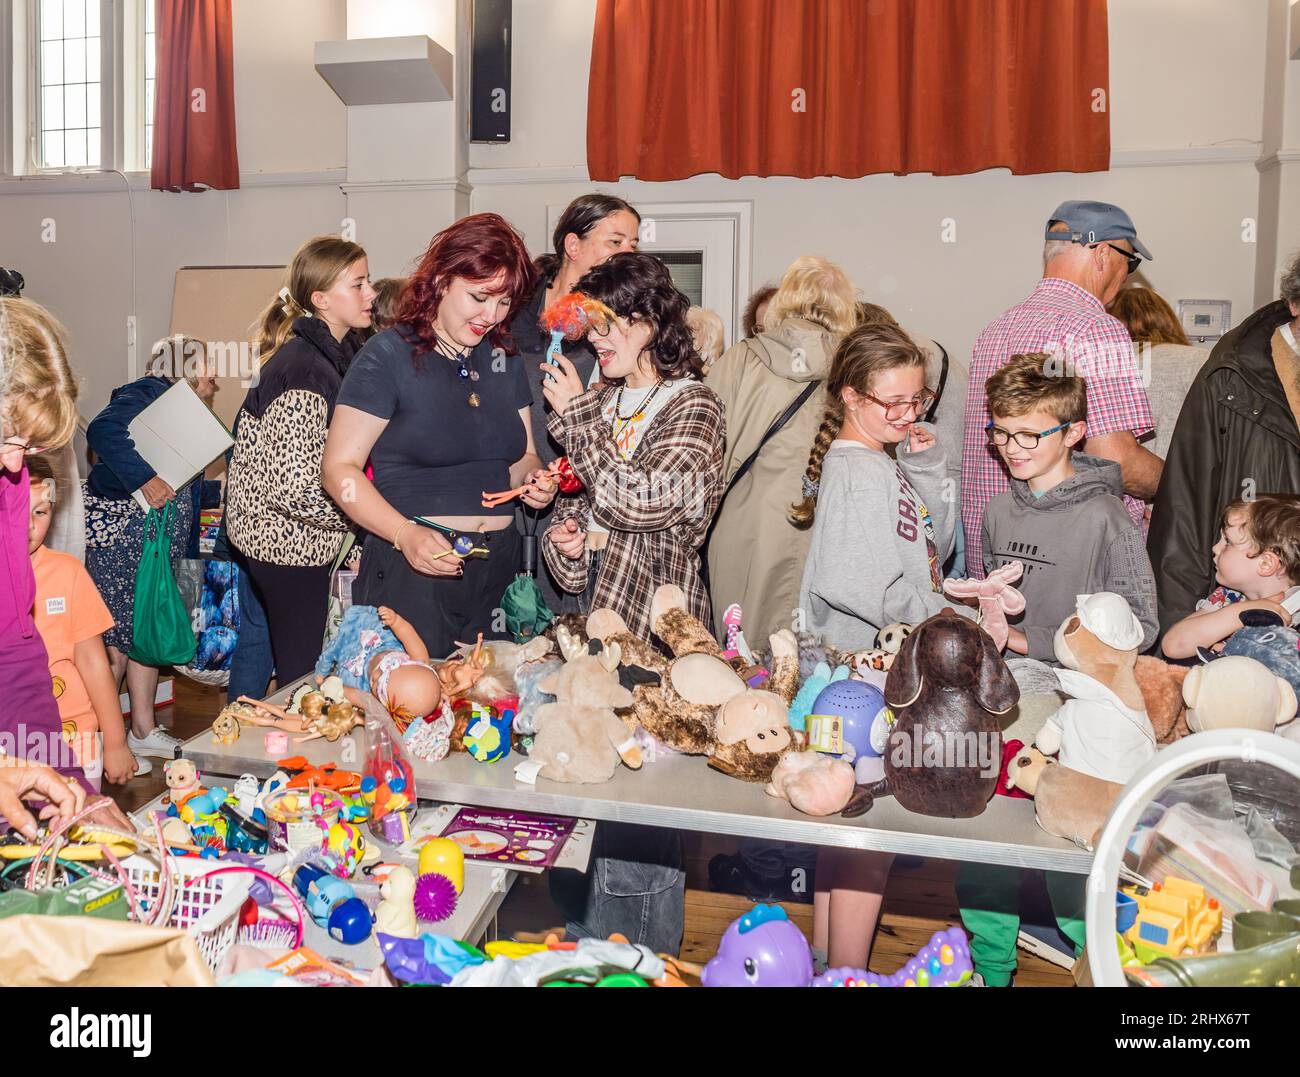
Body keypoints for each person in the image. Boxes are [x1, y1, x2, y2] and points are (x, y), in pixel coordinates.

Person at [791, 321, 964, 970]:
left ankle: (830, 963)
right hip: (862, 674)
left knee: (847, 825)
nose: (904, 413)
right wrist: (942, 621)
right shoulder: (856, 473)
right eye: (889, 401)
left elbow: (930, 551)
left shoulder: (879, 461)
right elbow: (856, 584)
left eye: (915, 399)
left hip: (865, 669)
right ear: (849, 396)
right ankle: (849, 974)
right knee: (866, 837)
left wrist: (920, 464)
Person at [323, 213, 556, 658]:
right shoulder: (388, 355)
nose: (492, 315)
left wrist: (533, 480)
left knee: (492, 715)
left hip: (499, 572)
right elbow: (339, 470)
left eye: (505, 303)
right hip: (416, 567)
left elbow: (521, 456)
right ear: (443, 279)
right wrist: (403, 534)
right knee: (410, 717)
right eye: (479, 297)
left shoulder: (503, 359)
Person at [962, 201, 1161, 576]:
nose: (1127, 275)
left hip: (994, 554)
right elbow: (1114, 459)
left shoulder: (995, 329)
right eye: (1130, 261)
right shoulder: (1095, 329)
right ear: (1103, 253)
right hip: (1069, 562)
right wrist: (1181, 488)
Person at [540, 251, 725, 638]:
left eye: (604, 325)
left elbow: (638, 502)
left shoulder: (694, 403)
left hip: (656, 614)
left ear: (648, 323)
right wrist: (569, 540)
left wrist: (577, 414)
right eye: (590, 327)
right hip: (588, 604)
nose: (593, 338)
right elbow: (576, 502)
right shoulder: (602, 402)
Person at [225, 236, 375, 685]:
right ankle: (292, 754)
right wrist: (366, 521)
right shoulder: (305, 368)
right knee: (302, 674)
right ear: (321, 299)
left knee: (301, 661)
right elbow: (295, 486)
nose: (371, 295)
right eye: (359, 284)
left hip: (302, 542)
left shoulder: (328, 358)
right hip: (287, 545)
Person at [705, 255, 858, 643]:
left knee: (739, 651)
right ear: (844, 309)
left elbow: (702, 449)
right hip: (827, 528)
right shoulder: (855, 370)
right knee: (811, 660)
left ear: (785, 299)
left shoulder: (741, 359)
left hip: (743, 523)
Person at [1148, 252, 1300, 634]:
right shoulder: (1231, 374)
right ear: (1294, 304)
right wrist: (1176, 625)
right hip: (1248, 611)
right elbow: (1187, 500)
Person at [505, 194, 641, 615]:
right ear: (573, 245)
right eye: (615, 242)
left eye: (634, 246)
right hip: (504, 488)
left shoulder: (617, 326)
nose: (626, 254)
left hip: (576, 494)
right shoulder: (509, 310)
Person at [83, 339, 217, 760]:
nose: (215, 378)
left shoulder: (181, 412)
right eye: (209, 366)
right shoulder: (147, 391)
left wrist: (220, 490)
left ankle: (141, 728)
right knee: (115, 639)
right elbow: (103, 431)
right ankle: (103, 740)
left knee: (142, 632)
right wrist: (143, 479)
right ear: (186, 367)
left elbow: (175, 479)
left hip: (152, 544)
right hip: (126, 539)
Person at [981, 353, 1158, 659]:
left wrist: (1029, 641)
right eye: (1001, 432)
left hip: (1076, 688)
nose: (1010, 448)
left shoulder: (1106, 517)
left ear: (1073, 433)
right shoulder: (997, 511)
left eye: (1028, 435)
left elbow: (1140, 627)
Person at [0, 296, 87, 783]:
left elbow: (14, 648)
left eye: (30, 449)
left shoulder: (9, 484)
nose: (17, 465)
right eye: (9, 439)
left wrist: (62, 778)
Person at [27, 455, 143, 788]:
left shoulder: (68, 572)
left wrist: (116, 742)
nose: (28, 526)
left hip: (76, 745)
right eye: (14, 509)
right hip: (14, 749)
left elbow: (94, 663)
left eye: (41, 512)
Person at [1161, 495, 1300, 660]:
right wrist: (1239, 612)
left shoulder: (1295, 615)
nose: (1215, 548)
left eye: (1227, 542)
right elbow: (1173, 645)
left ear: (1265, 564)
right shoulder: (1228, 598)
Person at [1106, 286, 1210, 461]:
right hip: (1177, 477)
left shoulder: (1097, 362)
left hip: (1109, 477)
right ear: (1168, 320)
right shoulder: (1198, 359)